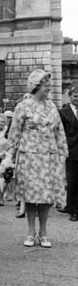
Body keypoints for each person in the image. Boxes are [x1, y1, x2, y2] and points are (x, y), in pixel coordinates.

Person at [0, 71, 68, 248]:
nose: (49, 89)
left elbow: (59, 131)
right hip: (29, 157)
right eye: (46, 86)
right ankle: (31, 232)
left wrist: (62, 154)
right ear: (36, 86)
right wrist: (9, 156)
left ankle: (43, 232)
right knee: (30, 196)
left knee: (45, 197)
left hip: (48, 157)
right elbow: (14, 133)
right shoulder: (23, 106)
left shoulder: (52, 106)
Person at [59, 87, 78, 222]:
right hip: (71, 150)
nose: (77, 99)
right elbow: (60, 132)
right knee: (72, 181)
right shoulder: (63, 112)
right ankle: (73, 210)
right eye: (75, 96)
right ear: (70, 97)